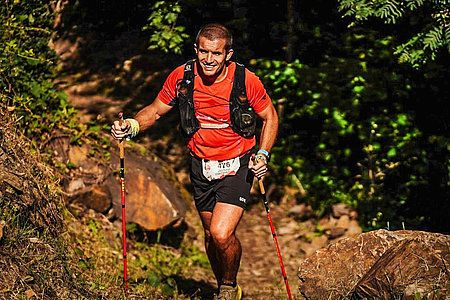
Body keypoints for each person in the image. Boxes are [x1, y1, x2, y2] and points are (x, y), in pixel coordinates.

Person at [111, 23, 278, 300]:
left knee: (222, 233)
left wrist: (262, 154)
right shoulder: (183, 77)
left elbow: (269, 116)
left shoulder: (245, 80)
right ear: (196, 49)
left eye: (216, 53)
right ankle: (224, 284)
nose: (208, 59)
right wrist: (131, 125)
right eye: (203, 52)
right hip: (201, 165)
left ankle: (228, 288)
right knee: (210, 237)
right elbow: (155, 110)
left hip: (238, 163)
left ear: (228, 55)